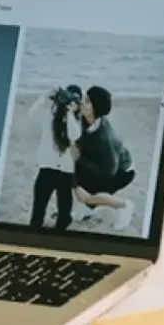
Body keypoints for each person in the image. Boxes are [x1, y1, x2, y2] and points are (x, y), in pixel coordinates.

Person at [69, 86, 136, 229]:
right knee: (74, 176)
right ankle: (87, 208)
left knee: (82, 191)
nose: (82, 103)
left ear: (96, 109)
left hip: (121, 172)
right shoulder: (89, 118)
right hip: (103, 163)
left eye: (87, 101)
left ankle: (123, 206)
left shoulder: (103, 138)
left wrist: (79, 159)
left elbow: (108, 171)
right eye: (84, 98)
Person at [29, 88, 80, 230]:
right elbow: (32, 113)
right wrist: (45, 95)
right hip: (47, 169)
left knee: (64, 215)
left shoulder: (76, 120)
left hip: (65, 173)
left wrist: (70, 113)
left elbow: (74, 135)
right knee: (38, 211)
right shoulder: (48, 118)